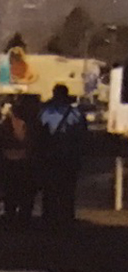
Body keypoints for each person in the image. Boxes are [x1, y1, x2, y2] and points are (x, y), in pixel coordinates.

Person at [36, 83, 87, 227]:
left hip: (49, 156)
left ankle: (48, 217)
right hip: (69, 156)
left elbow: (39, 132)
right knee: (67, 190)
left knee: (49, 189)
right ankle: (67, 217)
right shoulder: (75, 113)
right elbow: (82, 135)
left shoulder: (45, 112)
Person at [0, 97, 36, 223]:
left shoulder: (6, 123)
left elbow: (2, 140)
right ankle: (23, 216)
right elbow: (29, 141)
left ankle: (11, 215)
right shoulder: (28, 124)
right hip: (24, 160)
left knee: (11, 191)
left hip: (9, 159)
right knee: (25, 191)